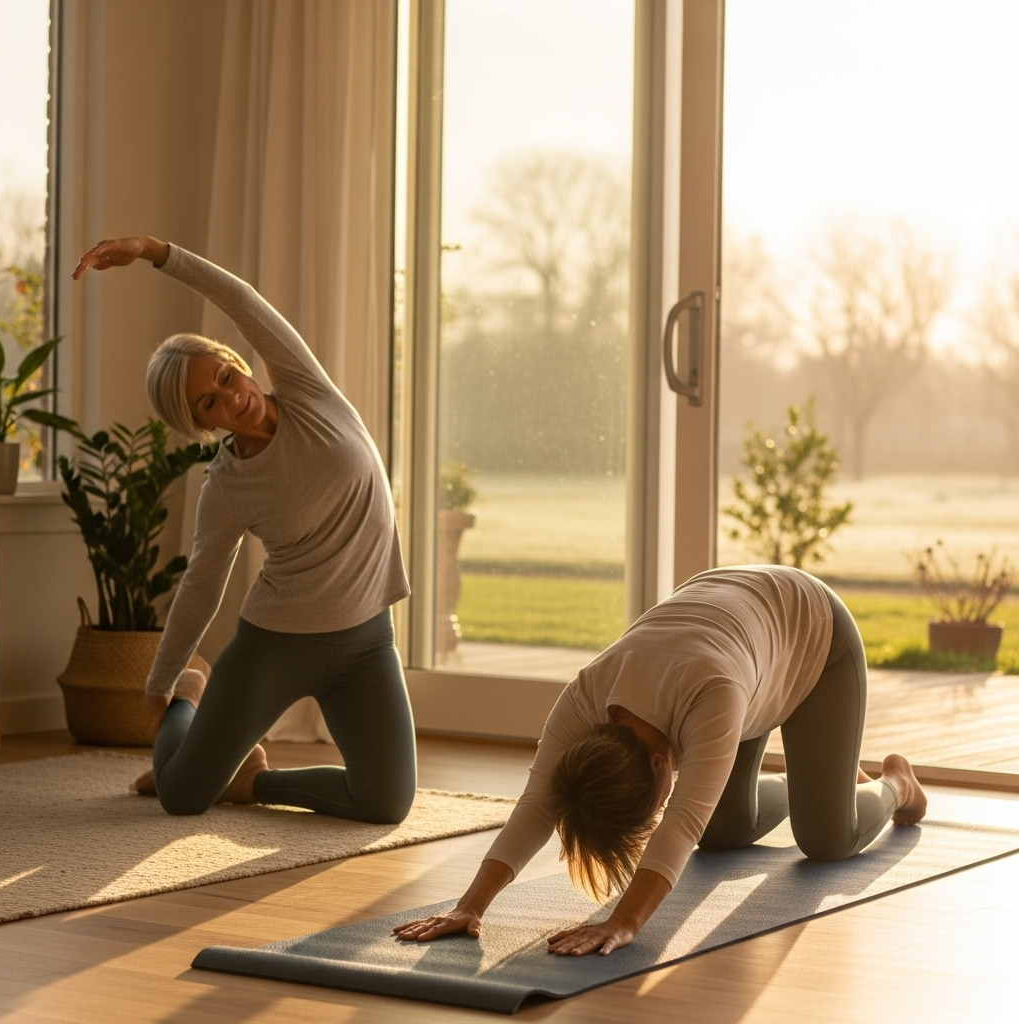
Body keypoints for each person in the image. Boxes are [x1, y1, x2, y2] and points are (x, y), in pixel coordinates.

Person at [393, 565, 927, 956]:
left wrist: (624, 922)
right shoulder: (587, 695)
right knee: (722, 832)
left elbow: (681, 821)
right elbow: (538, 803)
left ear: (657, 766)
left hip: (812, 633)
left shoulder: (712, 698)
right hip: (737, 645)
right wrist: (470, 906)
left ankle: (895, 782)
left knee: (828, 839)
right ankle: (823, 778)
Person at [72, 236, 416, 823]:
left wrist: (155, 251)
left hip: (365, 642)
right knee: (181, 796)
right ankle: (191, 696)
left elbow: (241, 299)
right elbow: (201, 584)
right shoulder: (226, 487)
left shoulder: (308, 391)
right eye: (210, 402)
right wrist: (160, 685)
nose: (234, 397)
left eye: (227, 376)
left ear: (238, 363)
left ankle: (252, 784)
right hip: (275, 645)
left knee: (385, 801)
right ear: (199, 425)